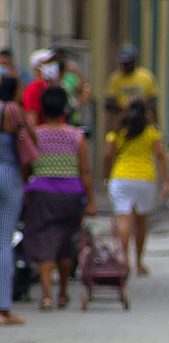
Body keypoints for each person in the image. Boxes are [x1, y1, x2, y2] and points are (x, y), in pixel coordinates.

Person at [24, 86, 96, 310]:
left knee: (45, 240)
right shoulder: (76, 136)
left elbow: (27, 165)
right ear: (65, 109)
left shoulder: (35, 134)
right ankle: (63, 293)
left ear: (43, 109)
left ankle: (46, 295)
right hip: (70, 195)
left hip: (42, 194)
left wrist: (29, 186)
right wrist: (91, 200)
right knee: (65, 244)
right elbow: (85, 171)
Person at [103, 98, 169, 276]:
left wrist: (107, 174)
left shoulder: (117, 131)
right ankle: (138, 263)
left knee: (124, 220)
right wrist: (166, 182)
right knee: (141, 223)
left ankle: (123, 261)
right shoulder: (151, 131)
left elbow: (108, 154)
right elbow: (161, 155)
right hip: (145, 180)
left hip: (120, 178)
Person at [0, 77, 33, 325]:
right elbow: (33, 142)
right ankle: (3, 308)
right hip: (9, 175)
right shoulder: (12, 110)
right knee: (3, 242)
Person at [105, 46, 158, 123]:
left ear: (134, 61)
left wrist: (156, 124)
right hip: (122, 121)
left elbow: (153, 104)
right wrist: (125, 108)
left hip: (143, 121)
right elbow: (109, 105)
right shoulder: (115, 79)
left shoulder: (146, 77)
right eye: (124, 63)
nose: (126, 66)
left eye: (129, 63)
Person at [22, 48, 59, 126]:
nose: (53, 65)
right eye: (49, 63)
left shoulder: (52, 86)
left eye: (53, 62)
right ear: (37, 67)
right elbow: (31, 119)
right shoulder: (34, 88)